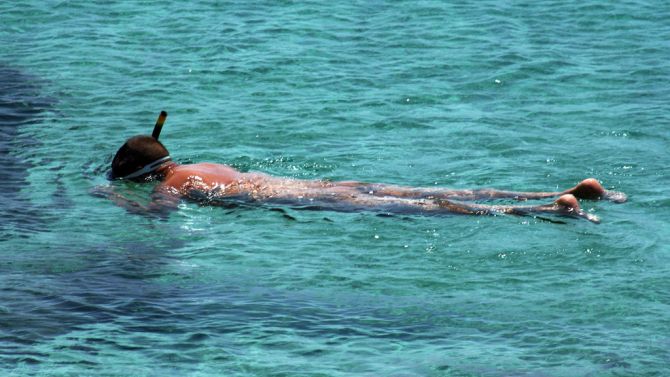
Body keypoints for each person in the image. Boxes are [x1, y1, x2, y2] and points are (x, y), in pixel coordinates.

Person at [99, 113, 626, 223]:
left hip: (294, 199)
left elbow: (157, 218)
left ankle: (544, 210)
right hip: (297, 183)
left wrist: (116, 201)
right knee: (413, 188)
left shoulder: (171, 184)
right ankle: (558, 191)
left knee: (415, 207)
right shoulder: (203, 163)